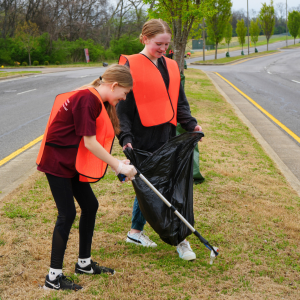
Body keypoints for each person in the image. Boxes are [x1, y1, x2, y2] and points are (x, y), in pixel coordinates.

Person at [36, 64, 137, 291]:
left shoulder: (97, 100)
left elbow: (93, 142)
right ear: (114, 85)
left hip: (72, 161)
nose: (124, 98)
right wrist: (118, 166)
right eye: (125, 93)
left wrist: (116, 164)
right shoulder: (87, 99)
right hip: (57, 161)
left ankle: (84, 264)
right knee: (67, 213)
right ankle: (53, 278)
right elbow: (89, 142)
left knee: (90, 205)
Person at [117, 19, 203, 261]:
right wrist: (125, 138)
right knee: (153, 186)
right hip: (141, 139)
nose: (163, 48)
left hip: (167, 135)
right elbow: (122, 109)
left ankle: (137, 232)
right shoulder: (130, 66)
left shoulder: (172, 66)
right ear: (144, 38)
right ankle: (180, 239)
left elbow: (179, 101)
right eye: (158, 44)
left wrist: (190, 124)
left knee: (158, 184)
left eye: (166, 44)